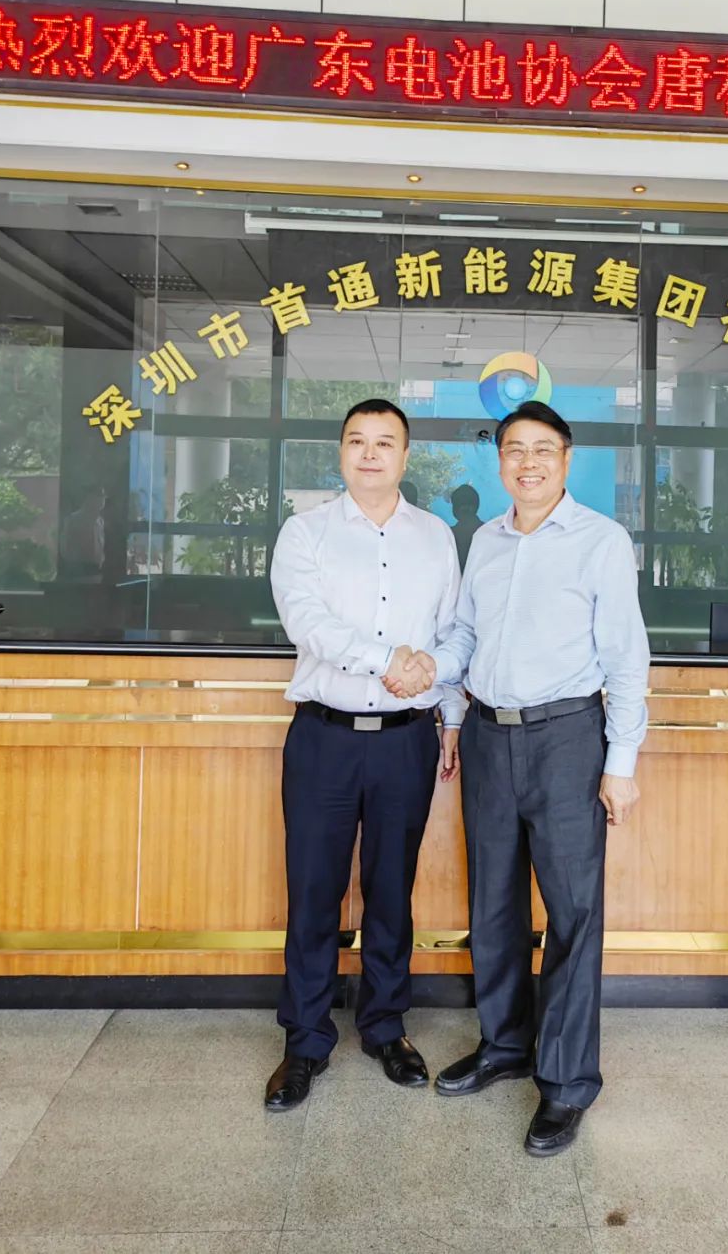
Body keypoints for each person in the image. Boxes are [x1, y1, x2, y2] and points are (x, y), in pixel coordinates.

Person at [385, 400, 649, 1157]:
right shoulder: (487, 541)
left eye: (542, 450)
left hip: (568, 738)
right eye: (514, 450)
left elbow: (626, 658)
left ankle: (565, 1083)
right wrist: (435, 675)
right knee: (493, 903)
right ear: (499, 461)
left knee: (572, 913)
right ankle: (504, 1045)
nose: (527, 463)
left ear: (566, 460)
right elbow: (467, 634)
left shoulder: (600, 540)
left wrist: (620, 764)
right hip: (489, 738)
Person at [265, 398, 465, 1111]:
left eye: (385, 442)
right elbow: (308, 622)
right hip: (323, 738)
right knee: (313, 891)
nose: (371, 453)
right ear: (341, 453)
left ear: (406, 456)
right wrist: (390, 661)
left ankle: (385, 1027)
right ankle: (305, 1040)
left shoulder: (436, 537)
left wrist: (447, 709)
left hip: (406, 740)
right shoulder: (305, 532)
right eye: (358, 441)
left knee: (390, 891)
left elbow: (453, 631)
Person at [59, 488, 105, 577]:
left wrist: (101, 560)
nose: (101, 500)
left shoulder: (100, 521)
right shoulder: (73, 519)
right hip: (78, 572)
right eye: (98, 496)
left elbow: (100, 546)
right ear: (89, 498)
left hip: (96, 571)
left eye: (103, 497)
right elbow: (65, 550)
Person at [448, 483, 482, 568]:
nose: (464, 507)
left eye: (467, 503)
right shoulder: (491, 533)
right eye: (460, 503)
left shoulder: (447, 535)